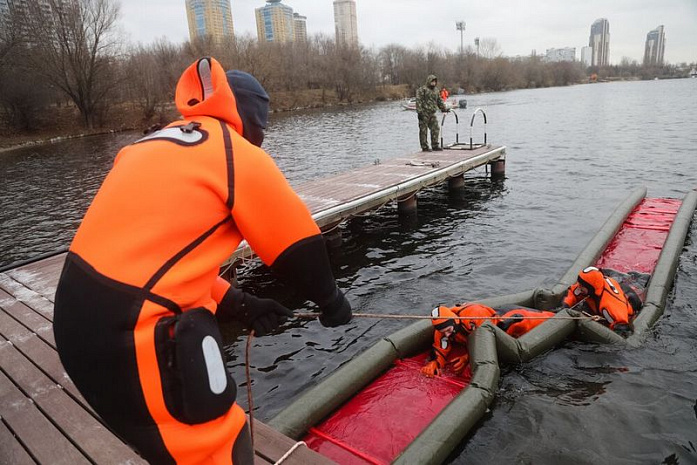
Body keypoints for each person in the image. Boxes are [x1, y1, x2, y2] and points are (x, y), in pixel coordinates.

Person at [53, 57, 352, 465]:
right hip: (129, 337)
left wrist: (241, 303)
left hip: (74, 319)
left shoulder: (154, 143)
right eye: (262, 128)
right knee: (218, 446)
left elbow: (152, 266)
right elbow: (300, 247)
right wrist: (332, 301)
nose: (262, 139)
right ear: (248, 119)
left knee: (168, 447)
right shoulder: (236, 153)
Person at [421, 303, 555, 377]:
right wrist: (434, 363)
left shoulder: (474, 316)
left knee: (532, 321)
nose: (448, 335)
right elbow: (440, 349)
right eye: (444, 332)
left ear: (455, 320)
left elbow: (487, 338)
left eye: (449, 331)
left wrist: (467, 357)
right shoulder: (442, 331)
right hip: (486, 326)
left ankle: (558, 313)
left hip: (505, 321)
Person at [561, 266, 638, 333]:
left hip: (624, 301)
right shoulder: (586, 287)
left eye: (581, 285)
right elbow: (572, 292)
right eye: (579, 284)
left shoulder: (609, 305)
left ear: (591, 288)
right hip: (608, 285)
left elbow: (621, 326)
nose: (579, 287)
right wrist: (566, 305)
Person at [415, 74, 449, 152]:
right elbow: (418, 101)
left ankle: (435, 145)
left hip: (432, 113)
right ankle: (424, 146)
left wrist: (444, 109)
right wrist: (419, 112)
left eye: (435, 82)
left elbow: (439, 101)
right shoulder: (422, 90)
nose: (433, 83)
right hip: (424, 113)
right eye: (432, 82)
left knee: (436, 128)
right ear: (429, 81)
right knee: (423, 130)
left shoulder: (436, 90)